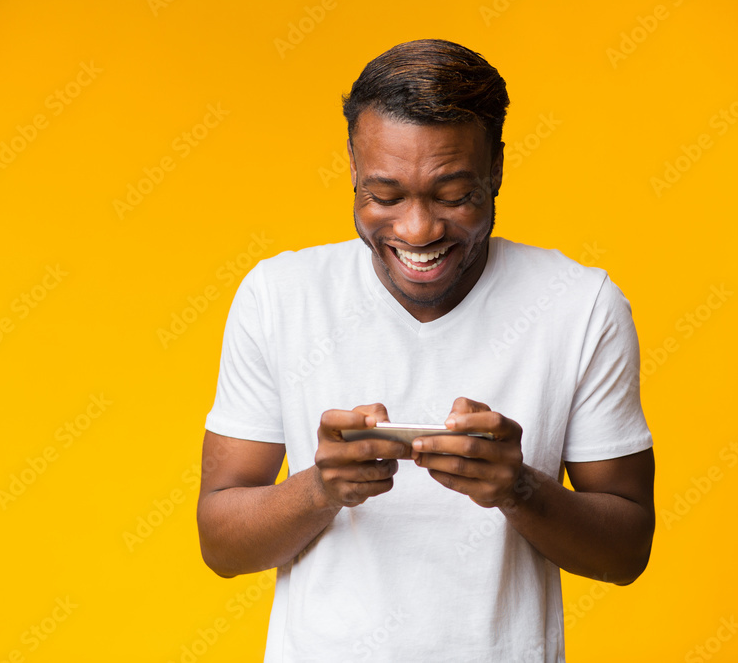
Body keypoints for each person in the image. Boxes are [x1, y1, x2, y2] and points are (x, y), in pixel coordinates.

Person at [197, 38, 655, 662]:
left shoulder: (581, 306)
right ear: (353, 168)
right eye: (385, 196)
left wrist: (518, 488)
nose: (418, 230)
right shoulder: (279, 297)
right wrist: (320, 488)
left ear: (496, 167)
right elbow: (221, 545)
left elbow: (626, 551)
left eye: (452, 194)